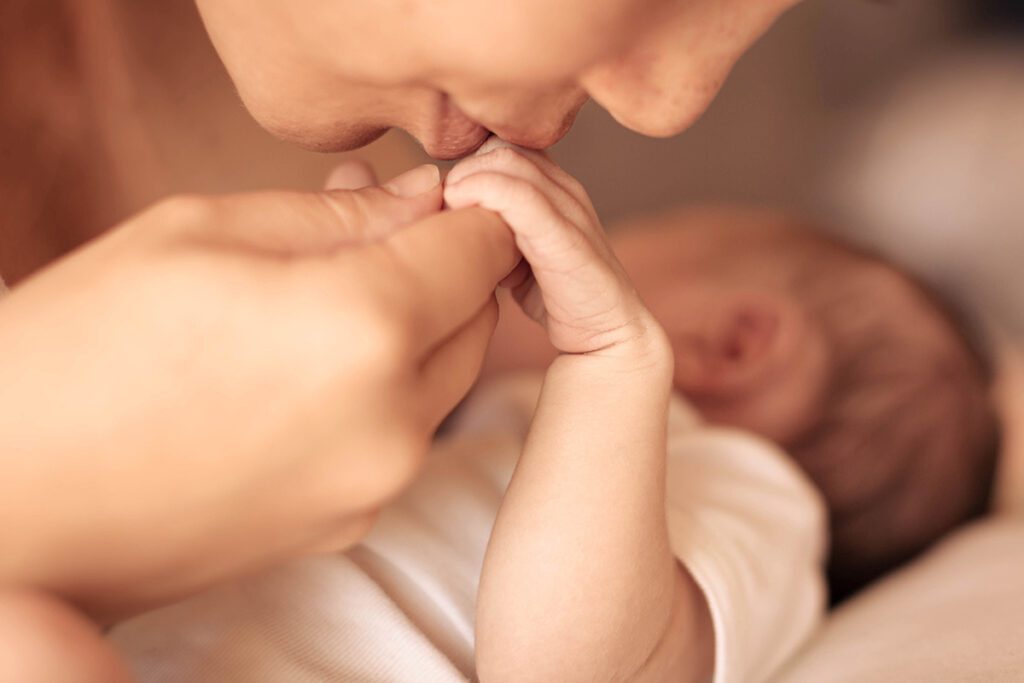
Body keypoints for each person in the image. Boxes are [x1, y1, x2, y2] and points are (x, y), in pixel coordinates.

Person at [107, 144, 997, 682]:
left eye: (632, 244)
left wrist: (611, 358)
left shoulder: (754, 503)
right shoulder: (491, 436)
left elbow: (569, 670)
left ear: (732, 345)